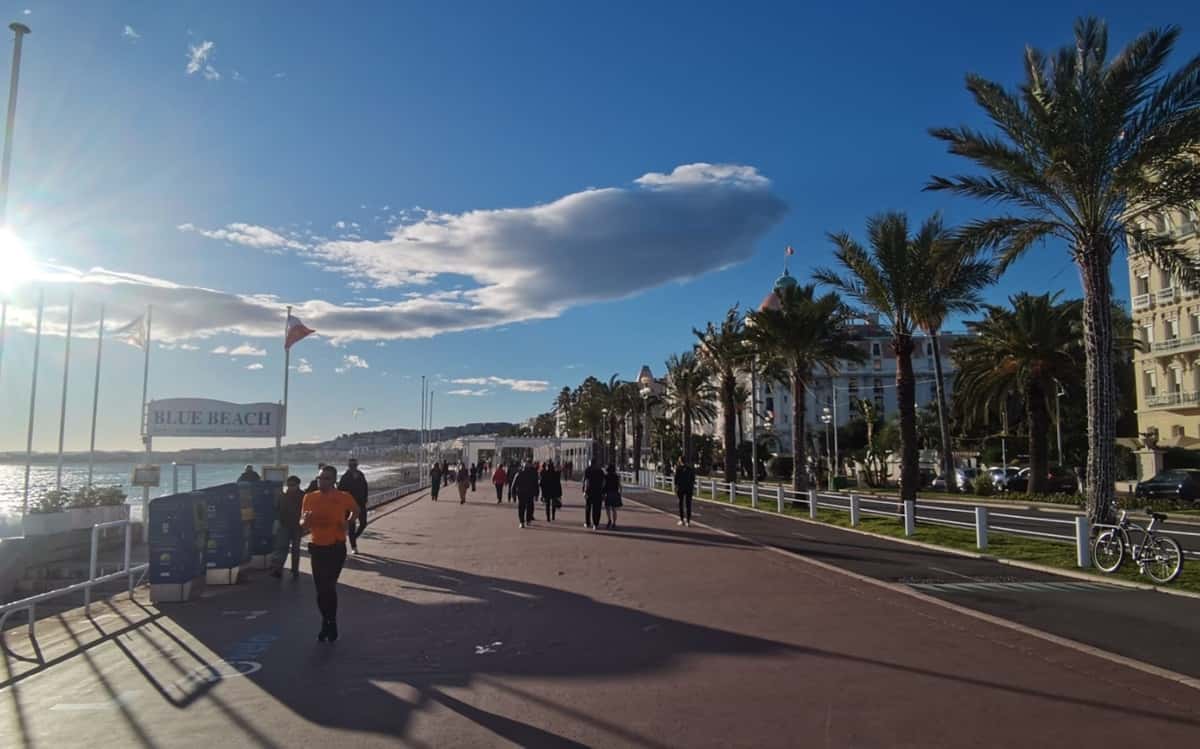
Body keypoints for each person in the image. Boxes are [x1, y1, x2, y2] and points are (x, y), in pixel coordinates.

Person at [300, 465, 358, 643]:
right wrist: (306, 521)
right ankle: (327, 622)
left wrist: (348, 523)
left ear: (334, 480)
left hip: (336, 547)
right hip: (317, 547)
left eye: (326, 478)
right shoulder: (309, 497)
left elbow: (356, 511)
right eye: (320, 478)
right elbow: (302, 522)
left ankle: (330, 624)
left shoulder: (343, 497)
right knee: (320, 591)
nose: (321, 481)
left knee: (329, 587)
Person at [270, 475, 305, 579]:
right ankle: (278, 570)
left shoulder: (303, 496)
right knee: (281, 548)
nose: (290, 487)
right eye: (288, 485)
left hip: (297, 527)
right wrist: (276, 522)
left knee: (295, 549)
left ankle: (295, 570)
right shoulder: (282, 495)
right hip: (284, 525)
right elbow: (276, 509)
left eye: (292, 485)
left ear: (298, 485)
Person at [337, 458, 370, 553]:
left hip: (361, 503)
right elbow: (340, 490)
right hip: (349, 505)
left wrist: (365, 498)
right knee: (351, 525)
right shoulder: (345, 477)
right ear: (348, 466)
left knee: (363, 523)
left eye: (354, 465)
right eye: (351, 465)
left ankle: (353, 537)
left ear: (357, 465)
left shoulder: (361, 475)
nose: (353, 467)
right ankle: (353, 546)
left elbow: (365, 487)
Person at [511, 460, 540, 528]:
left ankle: (522, 522)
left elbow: (513, 485)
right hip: (529, 493)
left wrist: (513, 494)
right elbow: (536, 485)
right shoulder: (533, 474)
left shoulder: (519, 474)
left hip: (521, 493)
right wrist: (536, 494)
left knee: (522, 508)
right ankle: (527, 521)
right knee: (529, 507)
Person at [582, 460, 606, 530]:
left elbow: (586, 481)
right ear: (596, 463)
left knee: (588, 507)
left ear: (590, 463)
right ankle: (595, 524)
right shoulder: (600, 471)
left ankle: (587, 522)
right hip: (598, 491)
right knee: (597, 508)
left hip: (589, 491)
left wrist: (584, 491)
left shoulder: (588, 470)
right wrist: (603, 492)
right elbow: (604, 482)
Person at [674, 457, 696, 527]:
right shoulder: (690, 469)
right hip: (689, 488)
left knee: (681, 504)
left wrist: (676, 487)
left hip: (681, 488)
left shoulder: (678, 468)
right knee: (688, 505)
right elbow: (693, 478)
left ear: (680, 461)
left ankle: (682, 520)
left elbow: (676, 479)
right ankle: (688, 521)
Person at [603, 464, 623, 529]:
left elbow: (603, 484)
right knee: (614, 509)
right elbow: (620, 485)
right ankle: (614, 523)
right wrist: (620, 493)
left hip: (608, 493)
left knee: (607, 508)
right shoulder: (617, 476)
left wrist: (603, 493)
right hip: (615, 493)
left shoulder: (606, 476)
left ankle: (609, 520)